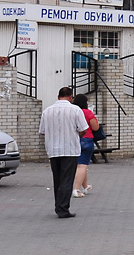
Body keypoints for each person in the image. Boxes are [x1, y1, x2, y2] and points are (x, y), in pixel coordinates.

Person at [39, 86, 88, 219]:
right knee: (67, 179)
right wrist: (77, 134)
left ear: (58, 96)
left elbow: (42, 131)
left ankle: (58, 205)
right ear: (71, 97)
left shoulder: (47, 111)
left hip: (53, 150)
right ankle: (63, 209)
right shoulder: (75, 109)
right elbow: (83, 129)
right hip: (70, 149)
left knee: (58, 179)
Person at [72, 94, 101, 198]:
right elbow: (95, 127)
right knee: (83, 165)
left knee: (80, 165)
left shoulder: (72, 112)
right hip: (87, 139)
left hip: (75, 140)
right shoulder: (88, 113)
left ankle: (85, 187)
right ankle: (76, 189)